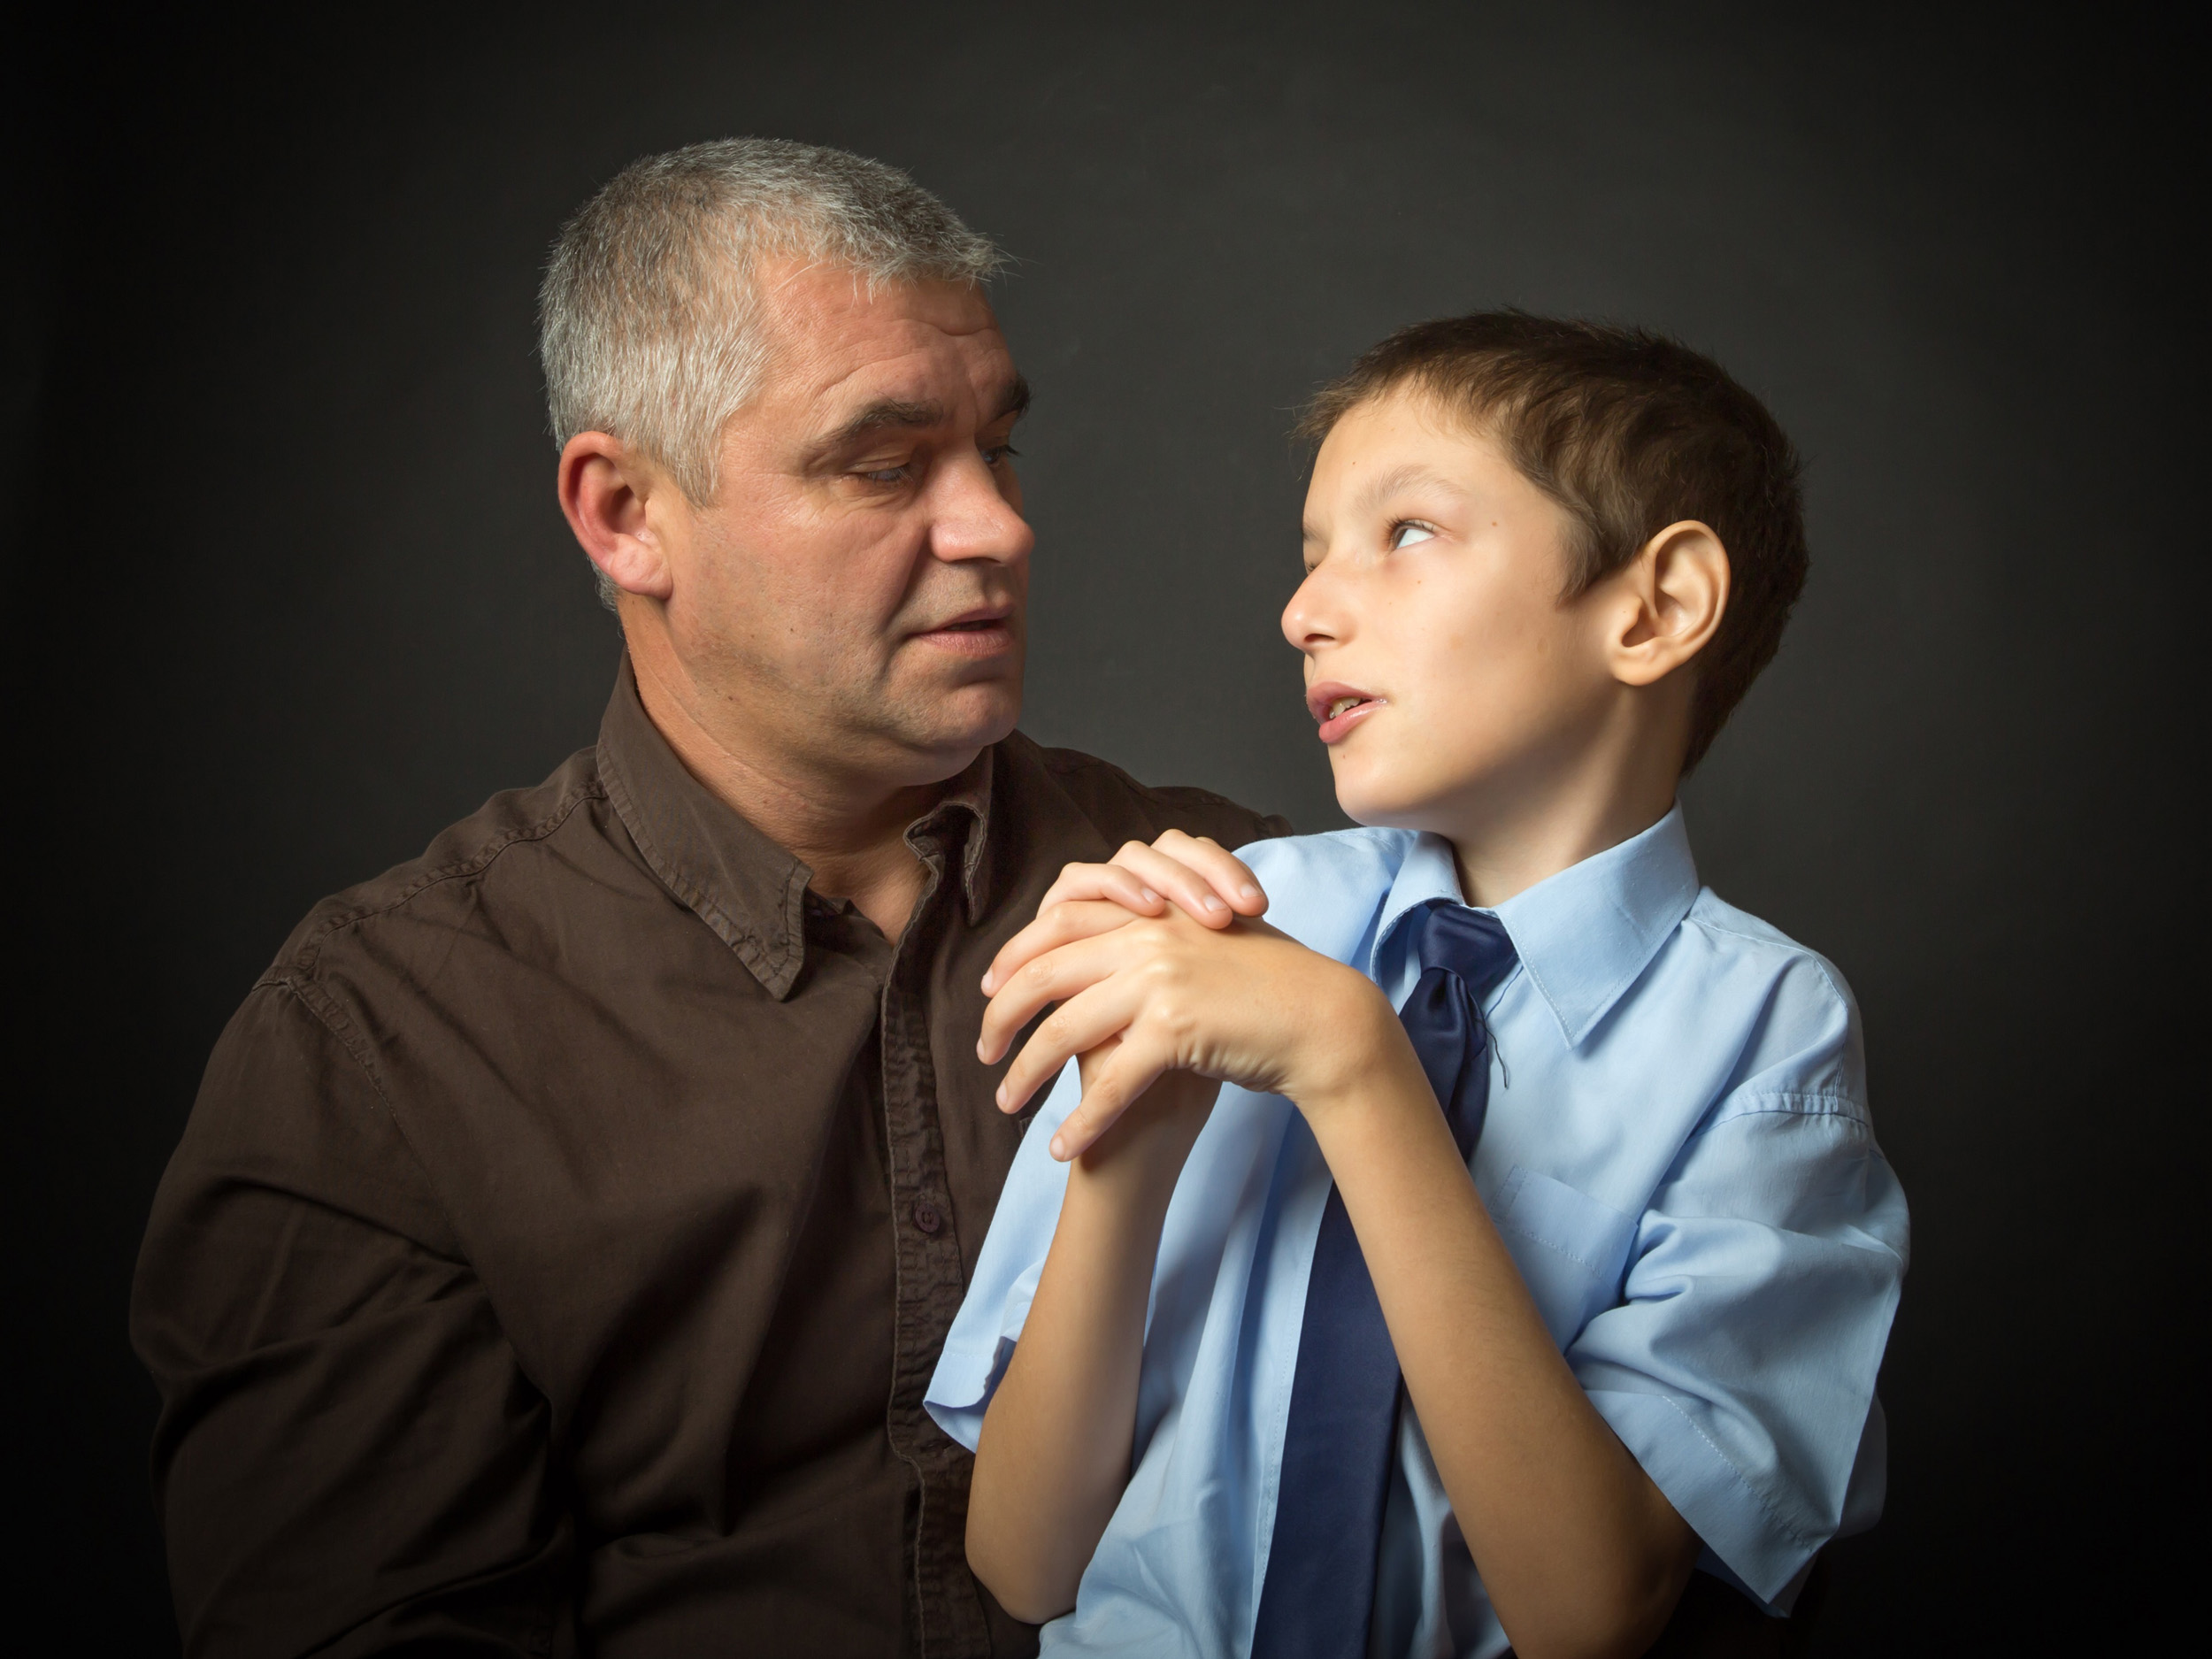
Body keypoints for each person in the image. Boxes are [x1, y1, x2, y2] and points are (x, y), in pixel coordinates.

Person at [128, 139, 1286, 1658]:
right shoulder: (379, 1050)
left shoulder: (1248, 902)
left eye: (996, 448)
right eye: (882, 465)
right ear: (622, 516)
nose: (997, 527)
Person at [926, 314, 1910, 1659]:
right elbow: (1023, 1563)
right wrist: (1129, 1148)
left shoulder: (1767, 1042)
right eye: (1312, 555)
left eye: (1406, 534)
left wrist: (1351, 1059)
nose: (1305, 611)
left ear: (1657, 606)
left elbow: (1588, 1612)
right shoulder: (1226, 923)